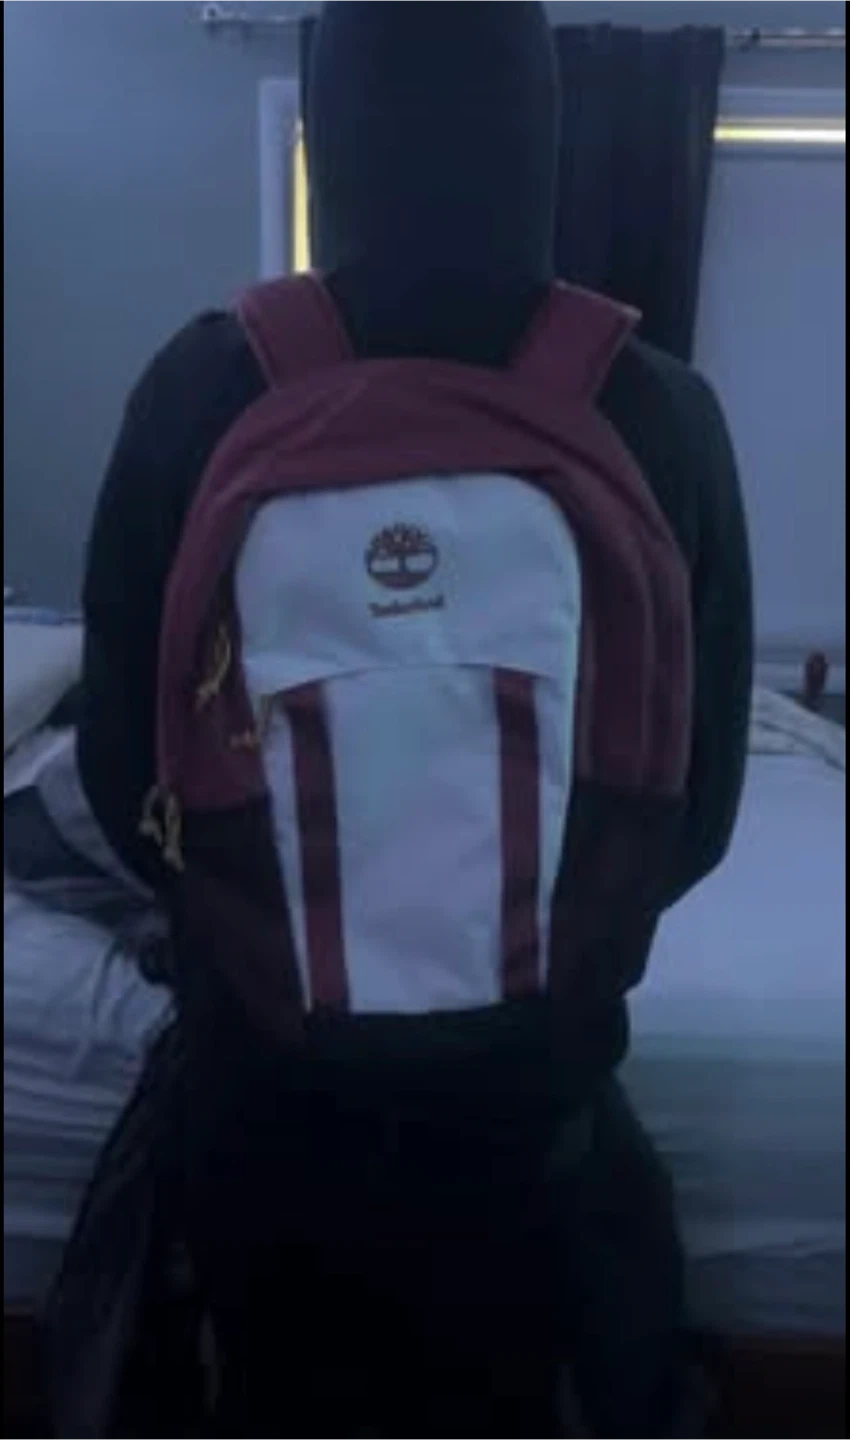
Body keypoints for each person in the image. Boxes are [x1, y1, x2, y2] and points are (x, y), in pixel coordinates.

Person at [78, 1, 753, 1434]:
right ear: (544, 123)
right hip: (534, 1108)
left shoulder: (205, 383)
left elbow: (123, 772)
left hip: (267, 1101)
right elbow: (695, 814)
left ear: (331, 121)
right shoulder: (659, 409)